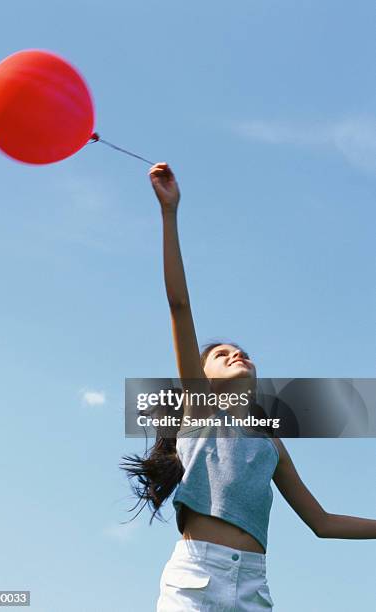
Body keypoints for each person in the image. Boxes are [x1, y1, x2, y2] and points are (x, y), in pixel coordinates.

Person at [121, 162, 376, 611]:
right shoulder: (199, 411)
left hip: (253, 585)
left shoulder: (271, 444)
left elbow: (321, 521)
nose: (237, 354)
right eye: (222, 354)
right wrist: (169, 214)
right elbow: (179, 305)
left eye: (242, 351)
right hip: (197, 576)